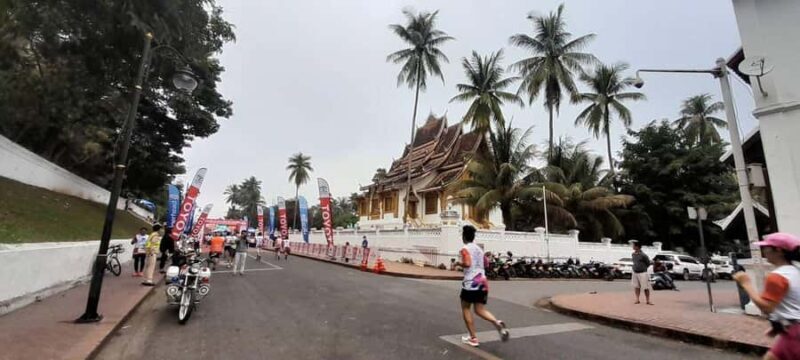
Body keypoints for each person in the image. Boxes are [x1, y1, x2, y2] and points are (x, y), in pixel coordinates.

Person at [734, 233, 800, 360]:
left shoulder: (777, 276)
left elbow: (766, 307)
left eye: (767, 247)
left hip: (794, 334)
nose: (764, 250)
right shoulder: (795, 272)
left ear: (779, 250)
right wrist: (778, 325)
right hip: (791, 331)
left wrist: (746, 284)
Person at [455, 225, 509, 347]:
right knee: (480, 310)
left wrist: (459, 263)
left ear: (464, 236)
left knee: (466, 308)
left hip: (471, 283)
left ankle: (473, 338)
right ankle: (497, 322)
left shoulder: (464, 248)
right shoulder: (479, 249)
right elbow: (486, 263)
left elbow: (467, 263)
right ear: (473, 237)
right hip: (482, 281)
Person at [631, 241, 652, 305]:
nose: (632, 247)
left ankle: (648, 300)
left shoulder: (643, 255)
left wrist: (643, 268)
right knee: (636, 286)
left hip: (643, 273)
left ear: (637, 246)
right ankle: (637, 299)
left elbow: (648, 263)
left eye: (633, 245)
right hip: (635, 272)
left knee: (645, 287)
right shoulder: (633, 254)